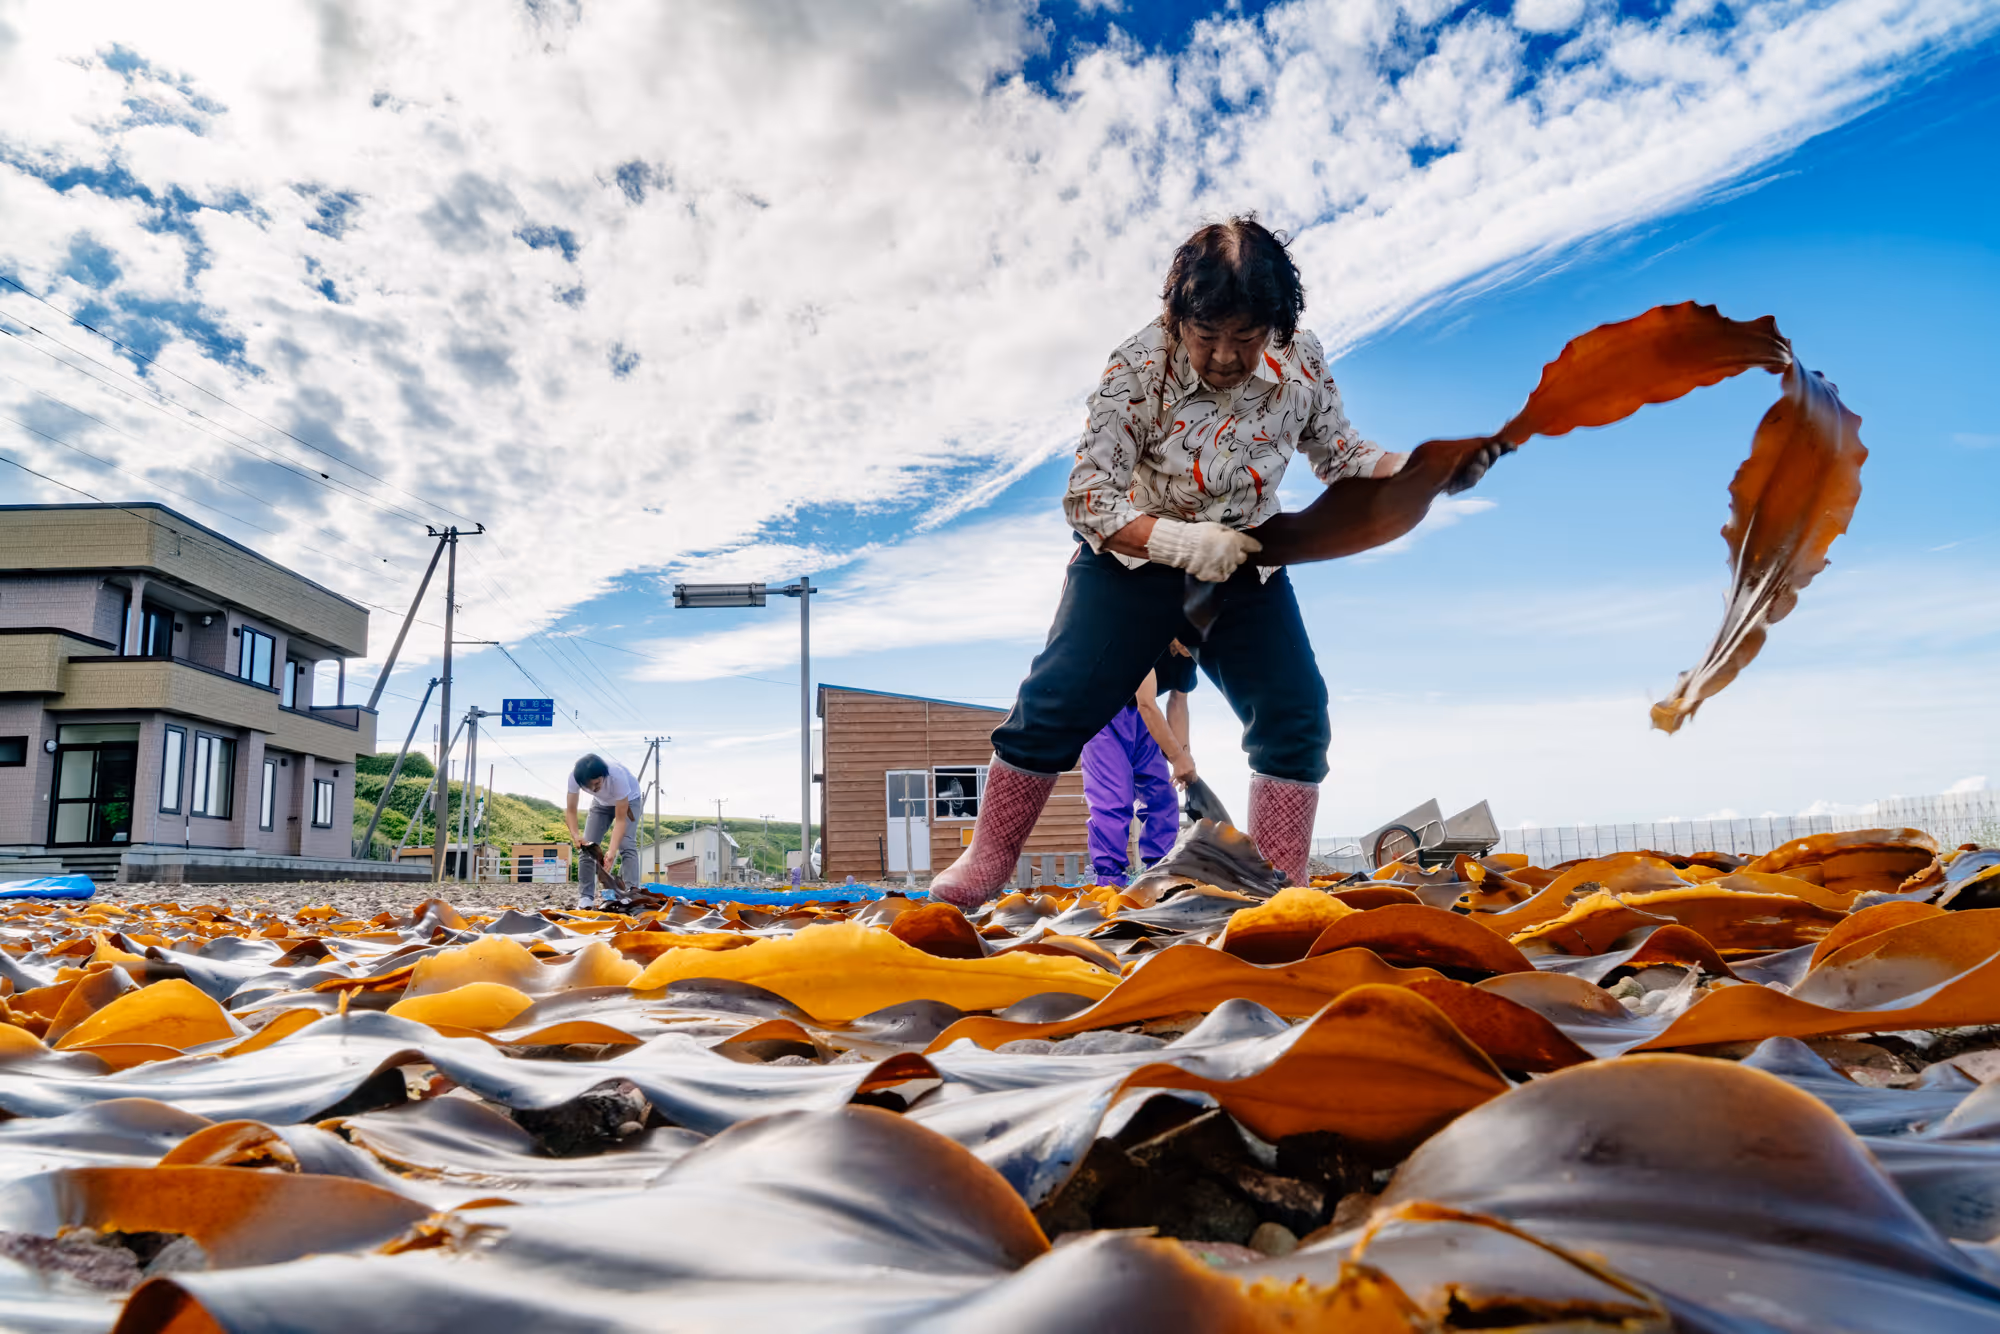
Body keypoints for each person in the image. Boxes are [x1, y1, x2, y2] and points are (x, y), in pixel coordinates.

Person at [931, 216, 1507, 906]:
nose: (1228, 357)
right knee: (1053, 704)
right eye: (1208, 337)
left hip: (1247, 562)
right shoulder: (1135, 368)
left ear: (1279, 325)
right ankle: (985, 863)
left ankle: (1280, 887)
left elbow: (1343, 457)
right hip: (1132, 560)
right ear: (1177, 319)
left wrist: (1424, 471)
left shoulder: (1303, 361)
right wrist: (1179, 542)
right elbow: (1088, 499)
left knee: (1296, 716)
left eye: (1247, 337)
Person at [1082, 641, 1198, 885]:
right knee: (1114, 800)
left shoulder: (1191, 654)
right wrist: (1176, 756)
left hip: (1142, 719)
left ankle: (1162, 875)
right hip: (1103, 710)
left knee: (1163, 796)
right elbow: (1146, 700)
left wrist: (1184, 756)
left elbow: (1178, 702)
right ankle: (1108, 881)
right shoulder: (1149, 631)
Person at [563, 752, 643, 909]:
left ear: (604, 776)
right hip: (600, 805)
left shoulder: (617, 776)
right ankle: (586, 897)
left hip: (629, 801)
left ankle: (631, 892)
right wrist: (575, 835)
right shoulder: (574, 777)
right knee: (586, 847)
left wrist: (611, 851)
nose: (594, 789)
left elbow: (620, 820)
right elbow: (571, 810)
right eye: (589, 786)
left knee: (627, 844)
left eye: (597, 784)